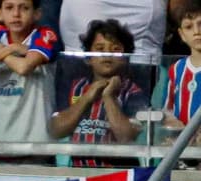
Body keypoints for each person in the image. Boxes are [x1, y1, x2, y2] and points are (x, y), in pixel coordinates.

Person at [48, 18, 147, 167]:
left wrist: (109, 97)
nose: (108, 54)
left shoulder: (133, 92)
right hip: (75, 170)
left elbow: (126, 137)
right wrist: (87, 97)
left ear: (126, 58)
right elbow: (56, 130)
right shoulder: (74, 86)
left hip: (117, 173)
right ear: (88, 58)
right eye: (100, 49)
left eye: (115, 50)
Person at [0, 0, 59, 146]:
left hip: (38, 145)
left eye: (24, 8)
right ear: (0, 14)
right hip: (0, 142)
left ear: (37, 14)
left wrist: (0, 53)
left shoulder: (44, 34)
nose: (16, 14)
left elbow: (24, 68)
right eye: (9, 8)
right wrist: (9, 49)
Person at [162, 3, 201, 144]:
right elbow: (167, 110)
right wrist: (172, 124)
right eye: (189, 27)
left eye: (200, 24)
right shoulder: (176, 69)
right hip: (181, 147)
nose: (196, 31)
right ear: (182, 34)